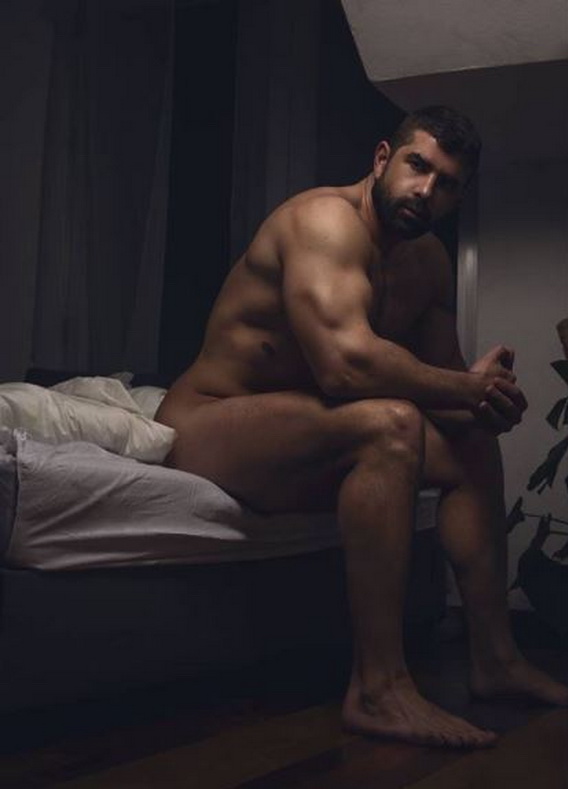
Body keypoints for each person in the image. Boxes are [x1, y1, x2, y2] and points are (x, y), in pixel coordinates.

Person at [156, 106, 568, 748]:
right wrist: (464, 388)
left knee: (468, 440)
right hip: (209, 424)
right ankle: (379, 690)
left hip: (306, 439)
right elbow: (344, 367)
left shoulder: (428, 263)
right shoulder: (323, 222)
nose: (426, 191)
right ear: (382, 159)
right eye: (417, 166)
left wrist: (487, 401)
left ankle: (496, 658)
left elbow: (447, 387)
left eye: (447, 183)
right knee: (390, 424)